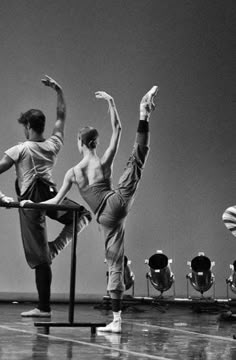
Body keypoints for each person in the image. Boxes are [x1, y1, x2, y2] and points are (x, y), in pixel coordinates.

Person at [22, 84, 158, 331]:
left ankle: (117, 320)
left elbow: (55, 202)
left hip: (105, 215)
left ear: (80, 142)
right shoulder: (104, 161)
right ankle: (144, 114)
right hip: (118, 201)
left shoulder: (74, 172)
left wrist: (28, 203)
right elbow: (118, 129)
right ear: (95, 142)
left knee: (114, 262)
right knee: (136, 160)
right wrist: (111, 102)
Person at [0, 75, 91, 317]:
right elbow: (61, 117)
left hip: (32, 203)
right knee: (81, 215)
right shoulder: (54, 144)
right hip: (51, 197)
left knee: (41, 259)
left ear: (28, 127)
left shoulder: (20, 149)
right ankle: (55, 249)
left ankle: (44, 308)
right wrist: (59, 90)